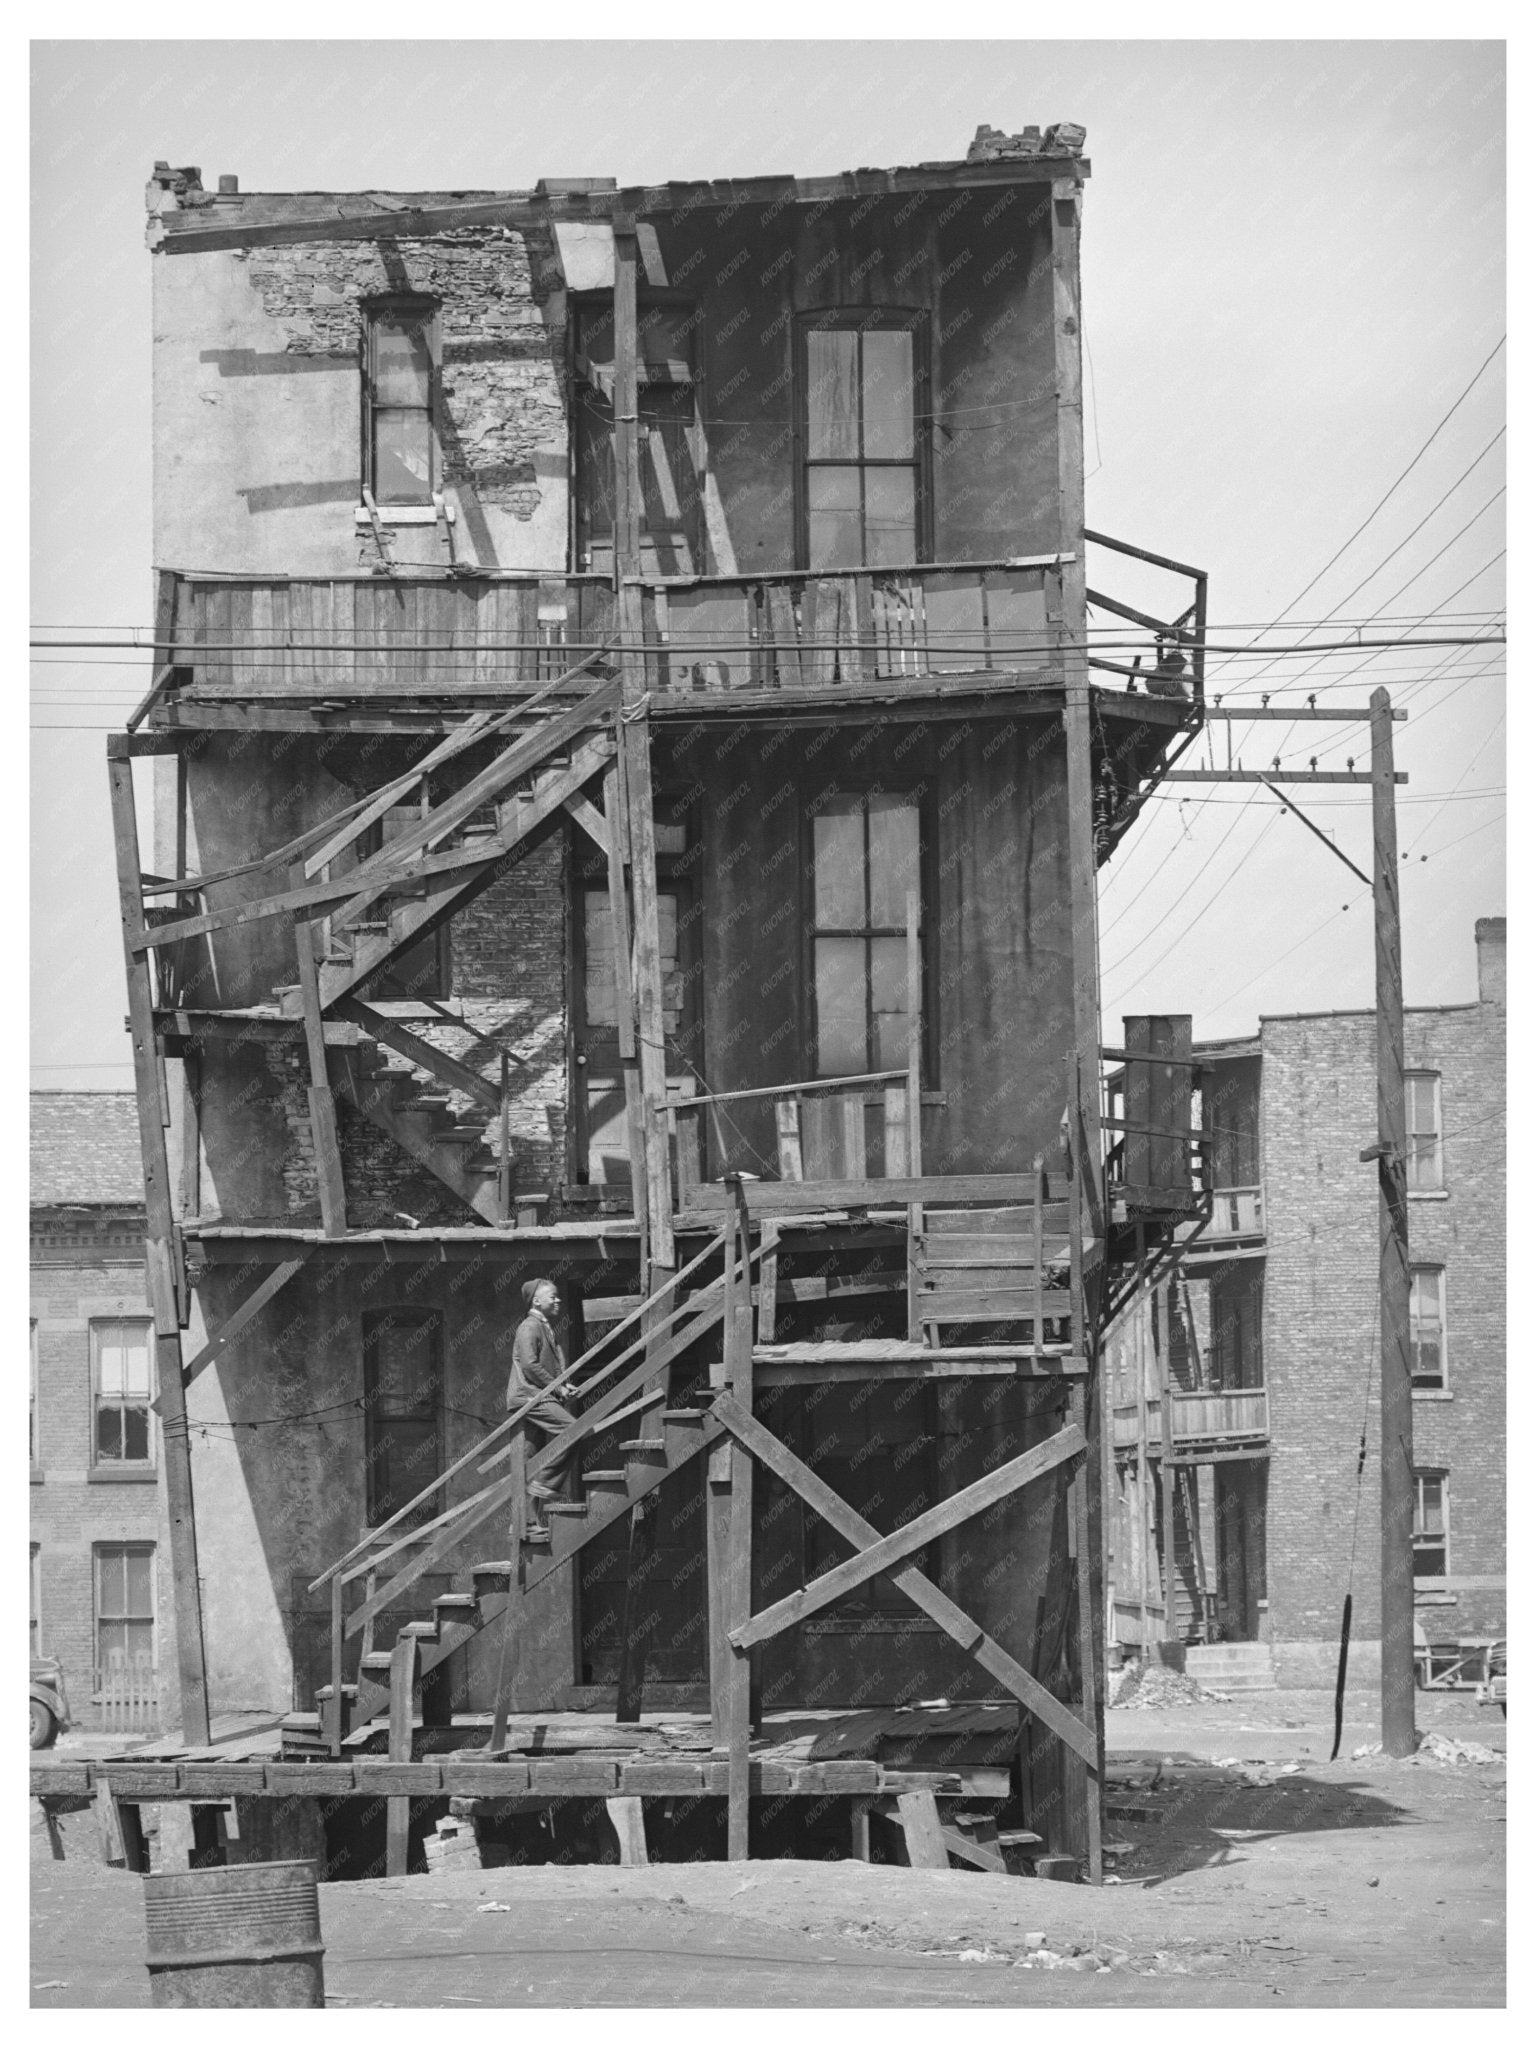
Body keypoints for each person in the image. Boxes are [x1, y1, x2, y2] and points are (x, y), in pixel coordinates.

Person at [507, 1277, 578, 1529]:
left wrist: (562, 1386)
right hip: (529, 1396)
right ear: (537, 1301)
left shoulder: (544, 1327)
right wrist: (558, 1386)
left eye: (558, 1296)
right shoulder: (530, 1326)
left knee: (529, 1457)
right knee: (573, 1430)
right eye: (553, 1296)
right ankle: (545, 1484)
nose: (558, 1300)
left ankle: (525, 1522)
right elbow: (530, 1364)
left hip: (538, 1394)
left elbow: (545, 1365)